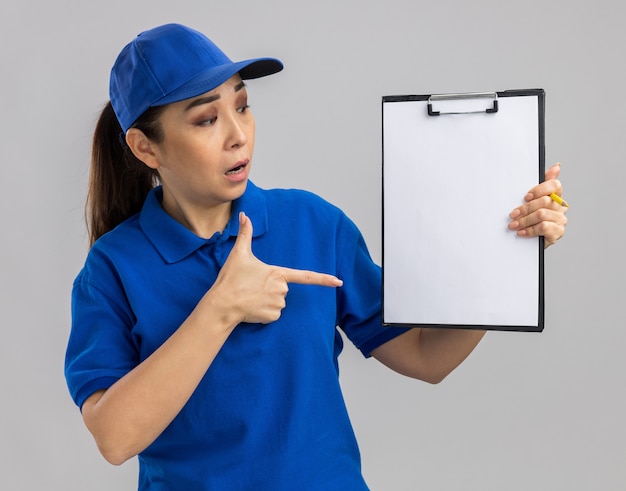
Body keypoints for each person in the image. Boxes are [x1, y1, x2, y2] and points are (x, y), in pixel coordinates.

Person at [64, 23, 568, 490]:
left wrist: (503, 256)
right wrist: (220, 309)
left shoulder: (313, 224)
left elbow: (424, 355)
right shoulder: (111, 269)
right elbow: (114, 437)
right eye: (206, 119)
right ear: (145, 148)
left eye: (242, 105)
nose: (238, 134)